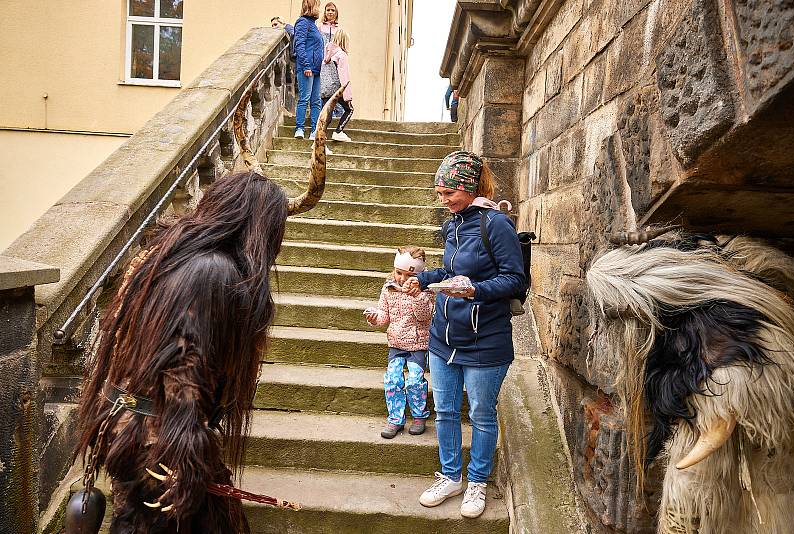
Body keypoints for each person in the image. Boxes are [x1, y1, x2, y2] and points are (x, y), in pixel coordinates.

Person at [70, 106, 336, 532]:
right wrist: (186, 454)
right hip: (162, 440)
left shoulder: (169, 253)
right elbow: (181, 361)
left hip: (137, 427)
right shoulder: (210, 271)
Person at [402, 150, 526, 519]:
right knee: (444, 410)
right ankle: (451, 476)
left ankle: (476, 482)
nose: (443, 201)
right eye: (439, 194)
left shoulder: (496, 224)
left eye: (448, 193)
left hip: (485, 338)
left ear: (470, 188)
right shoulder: (453, 224)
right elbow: (449, 269)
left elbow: (515, 279)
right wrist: (422, 280)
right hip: (444, 338)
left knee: (483, 414)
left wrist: (475, 290)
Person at [364, 247, 435, 439]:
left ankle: (419, 417)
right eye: (399, 273)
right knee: (393, 379)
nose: (402, 279)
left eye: (409, 275)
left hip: (417, 344)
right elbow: (383, 317)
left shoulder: (426, 291)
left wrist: (416, 295)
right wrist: (374, 318)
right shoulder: (388, 289)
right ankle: (395, 418)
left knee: (414, 381)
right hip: (395, 342)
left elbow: (425, 316)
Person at [293, 0, 324, 139]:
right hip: (307, 68)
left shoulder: (313, 25)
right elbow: (299, 45)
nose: (319, 8)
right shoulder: (303, 22)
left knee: (316, 101)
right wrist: (306, 65)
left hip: (316, 69)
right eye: (317, 4)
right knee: (304, 98)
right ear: (311, 6)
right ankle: (299, 129)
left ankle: (314, 131)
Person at [322, 29, 354, 142]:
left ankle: (320, 139)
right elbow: (343, 75)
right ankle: (338, 132)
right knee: (349, 109)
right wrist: (347, 94)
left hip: (325, 88)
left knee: (327, 114)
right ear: (345, 41)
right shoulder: (342, 55)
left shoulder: (328, 54)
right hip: (337, 88)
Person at [317, 2, 345, 119]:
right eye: (328, 10)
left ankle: (336, 115)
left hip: (334, 64)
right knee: (323, 88)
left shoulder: (339, 30)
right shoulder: (319, 28)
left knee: (335, 87)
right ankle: (326, 115)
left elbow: (342, 46)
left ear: (336, 13)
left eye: (332, 10)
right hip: (322, 63)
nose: (330, 12)